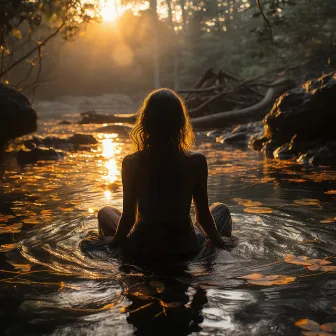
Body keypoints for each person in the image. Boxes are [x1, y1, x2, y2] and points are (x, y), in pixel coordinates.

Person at [97, 88, 235, 262]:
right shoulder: (196, 161)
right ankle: (209, 255)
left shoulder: (131, 162)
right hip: (185, 247)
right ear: (180, 123)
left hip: (143, 248)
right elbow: (202, 216)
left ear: (145, 122)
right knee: (220, 209)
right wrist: (218, 242)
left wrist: (113, 244)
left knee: (105, 212)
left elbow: (129, 218)